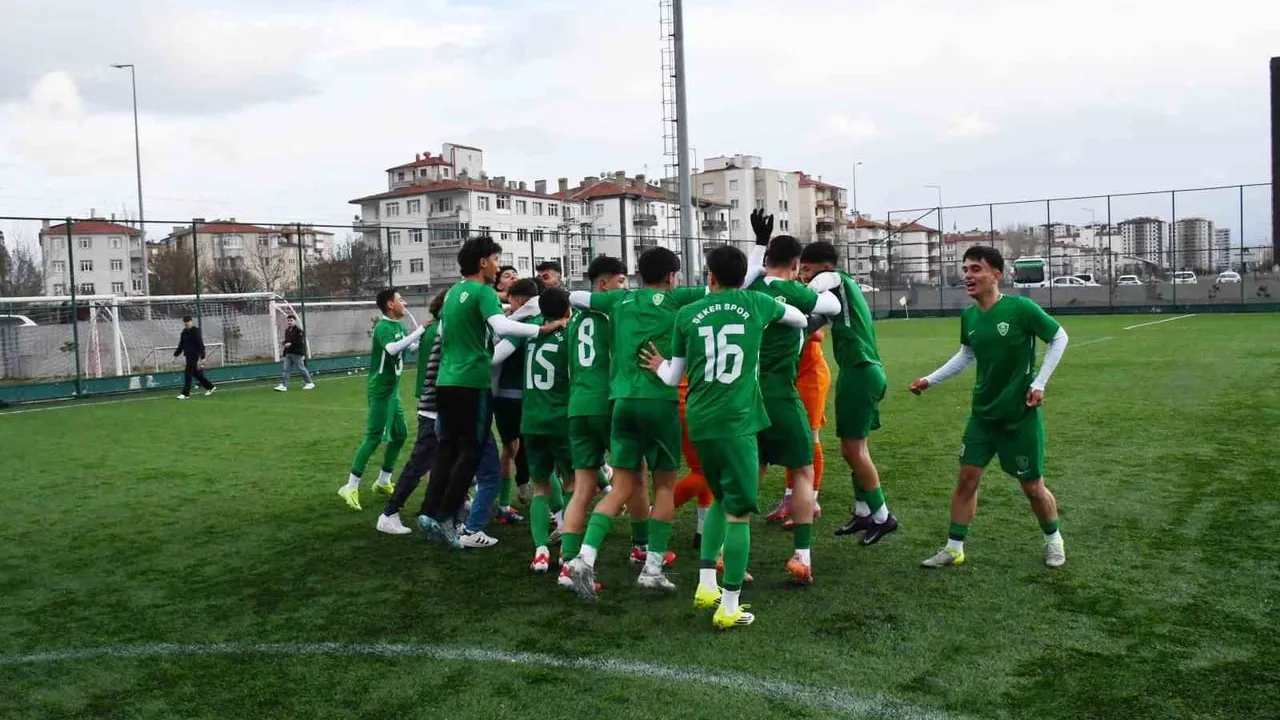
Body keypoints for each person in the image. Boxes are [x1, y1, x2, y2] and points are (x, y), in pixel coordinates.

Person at [564, 219, 768, 601]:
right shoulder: (680, 298)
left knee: (622, 485)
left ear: (638, 275)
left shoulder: (618, 299)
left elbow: (576, 298)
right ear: (673, 276)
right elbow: (738, 280)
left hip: (620, 403)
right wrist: (758, 246)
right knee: (663, 487)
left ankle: (583, 558)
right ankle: (652, 568)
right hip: (659, 403)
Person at [640, 244, 807, 629]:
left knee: (718, 498)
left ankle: (705, 584)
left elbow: (671, 376)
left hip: (700, 419)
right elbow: (799, 318)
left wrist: (659, 363)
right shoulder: (756, 303)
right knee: (739, 512)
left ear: (710, 277)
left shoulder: (686, 312)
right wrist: (774, 318)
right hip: (737, 421)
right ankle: (730, 605)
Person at [910, 245, 1069, 569]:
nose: (968, 275)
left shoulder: (1020, 309)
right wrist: (930, 379)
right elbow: (967, 355)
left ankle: (1053, 540)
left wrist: (1039, 383)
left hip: (1018, 416)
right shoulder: (969, 316)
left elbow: (1059, 337)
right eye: (966, 269)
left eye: (976, 269)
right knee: (967, 479)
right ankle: (954, 548)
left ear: (996, 276)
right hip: (983, 415)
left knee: (1033, 487)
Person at [418, 236, 566, 549]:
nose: (498, 268)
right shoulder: (482, 291)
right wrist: (540, 328)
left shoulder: (453, 293)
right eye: (496, 260)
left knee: (448, 449)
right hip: (473, 383)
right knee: (471, 452)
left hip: (446, 382)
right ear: (483, 262)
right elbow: (500, 326)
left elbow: (447, 331)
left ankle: (430, 513)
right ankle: (449, 518)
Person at [747, 235, 841, 584]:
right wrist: (827, 280)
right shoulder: (796, 293)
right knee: (802, 471)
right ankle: (801, 555)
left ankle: (728, 553)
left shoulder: (751, 285)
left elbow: (747, 272)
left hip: (746, 397)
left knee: (751, 473)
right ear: (797, 264)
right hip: (781, 395)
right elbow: (831, 307)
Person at [801, 242, 896, 545]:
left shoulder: (838, 280)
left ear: (824, 266)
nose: (803, 276)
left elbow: (823, 282)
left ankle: (883, 517)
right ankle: (863, 512)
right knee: (855, 448)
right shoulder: (837, 299)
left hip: (861, 371)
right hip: (860, 371)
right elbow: (809, 323)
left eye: (806, 269)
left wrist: (799, 291)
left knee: (853, 450)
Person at [493, 288, 574, 572]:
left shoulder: (530, 332)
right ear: (567, 310)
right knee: (573, 485)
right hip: (561, 418)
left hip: (532, 420)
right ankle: (568, 549)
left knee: (540, 487)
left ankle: (540, 551)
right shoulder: (571, 333)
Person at [338, 288, 425, 511]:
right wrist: (421, 330)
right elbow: (393, 349)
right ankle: (350, 486)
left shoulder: (398, 326)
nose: (404, 303)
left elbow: (409, 349)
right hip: (380, 390)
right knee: (374, 437)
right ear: (390, 305)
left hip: (392, 391)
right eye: (400, 300)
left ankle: (383, 480)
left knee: (401, 435)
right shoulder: (383, 327)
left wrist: (423, 338)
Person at [376, 287, 449, 535]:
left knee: (439, 461)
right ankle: (390, 512)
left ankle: (434, 509)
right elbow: (395, 350)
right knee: (421, 462)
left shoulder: (435, 328)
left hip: (436, 404)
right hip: (434, 405)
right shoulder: (439, 328)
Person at [492, 279, 541, 524]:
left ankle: (503, 503)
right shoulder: (542, 322)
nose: (508, 304)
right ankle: (556, 511)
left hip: (506, 397)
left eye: (511, 299)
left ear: (520, 300)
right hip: (530, 398)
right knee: (538, 448)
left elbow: (495, 356)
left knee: (510, 448)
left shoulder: (518, 325)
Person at [174, 315, 216, 400]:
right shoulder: (184, 332)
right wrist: (176, 354)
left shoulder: (195, 331)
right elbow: (181, 344)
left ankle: (185, 394)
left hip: (194, 355)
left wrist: (203, 356)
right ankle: (210, 387)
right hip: (188, 355)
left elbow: (200, 344)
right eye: (185, 322)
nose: (187, 323)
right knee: (195, 373)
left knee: (188, 373)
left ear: (191, 321)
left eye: (188, 321)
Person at [274, 315, 315, 392]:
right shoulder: (287, 330)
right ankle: (283, 385)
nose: (289, 322)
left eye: (291, 320)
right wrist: (284, 342)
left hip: (297, 353)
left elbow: (299, 342)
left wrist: (290, 344)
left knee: (301, 368)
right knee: (286, 369)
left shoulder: (299, 331)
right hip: (288, 352)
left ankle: (309, 383)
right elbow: (288, 341)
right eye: (288, 321)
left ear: (294, 321)